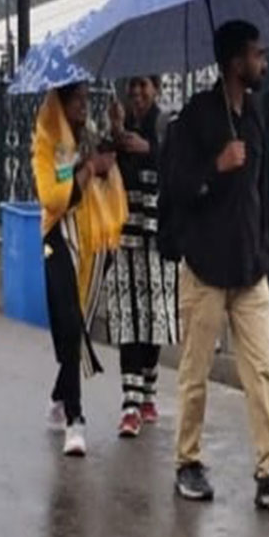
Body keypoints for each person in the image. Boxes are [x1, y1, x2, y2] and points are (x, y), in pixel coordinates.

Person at [166, 19, 269, 509]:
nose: (263, 63)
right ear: (234, 63)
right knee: (196, 372)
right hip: (206, 266)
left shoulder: (254, 115)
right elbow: (177, 186)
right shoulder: (196, 117)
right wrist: (215, 168)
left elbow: (265, 190)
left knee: (261, 371)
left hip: (250, 267)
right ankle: (188, 462)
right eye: (256, 55)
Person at [33, 78, 122, 457]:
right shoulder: (48, 143)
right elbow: (54, 198)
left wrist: (115, 133)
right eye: (77, 101)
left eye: (87, 99)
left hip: (91, 241)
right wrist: (87, 170)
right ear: (61, 103)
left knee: (77, 324)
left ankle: (59, 394)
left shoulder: (91, 137)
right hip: (59, 238)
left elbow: (110, 166)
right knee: (68, 322)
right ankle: (75, 417)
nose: (84, 107)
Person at [104, 75, 178, 439]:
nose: (136, 94)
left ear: (156, 89)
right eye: (131, 88)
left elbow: (179, 172)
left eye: (143, 87)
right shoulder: (119, 126)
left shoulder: (167, 127)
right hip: (123, 239)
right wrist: (116, 135)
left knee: (154, 319)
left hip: (157, 239)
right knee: (127, 321)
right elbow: (104, 169)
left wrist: (148, 148)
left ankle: (148, 391)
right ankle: (130, 404)